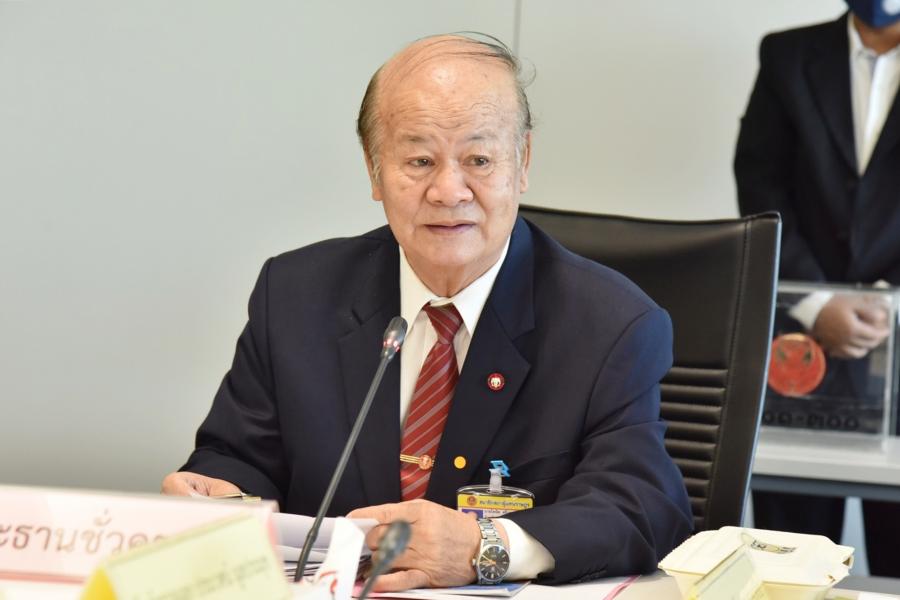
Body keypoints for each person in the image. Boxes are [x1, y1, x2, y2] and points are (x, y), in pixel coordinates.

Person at [163, 33, 693, 590]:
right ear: (374, 170)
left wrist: (487, 547)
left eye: (479, 160)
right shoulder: (296, 294)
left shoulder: (610, 325)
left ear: (522, 163)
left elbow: (640, 506)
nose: (448, 191)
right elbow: (238, 458)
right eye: (419, 161)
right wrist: (218, 495)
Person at [735, 0, 900, 576]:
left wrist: (887, 301)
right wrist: (818, 301)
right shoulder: (788, 55)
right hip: (802, 348)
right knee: (791, 567)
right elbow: (759, 181)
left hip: (898, 340)